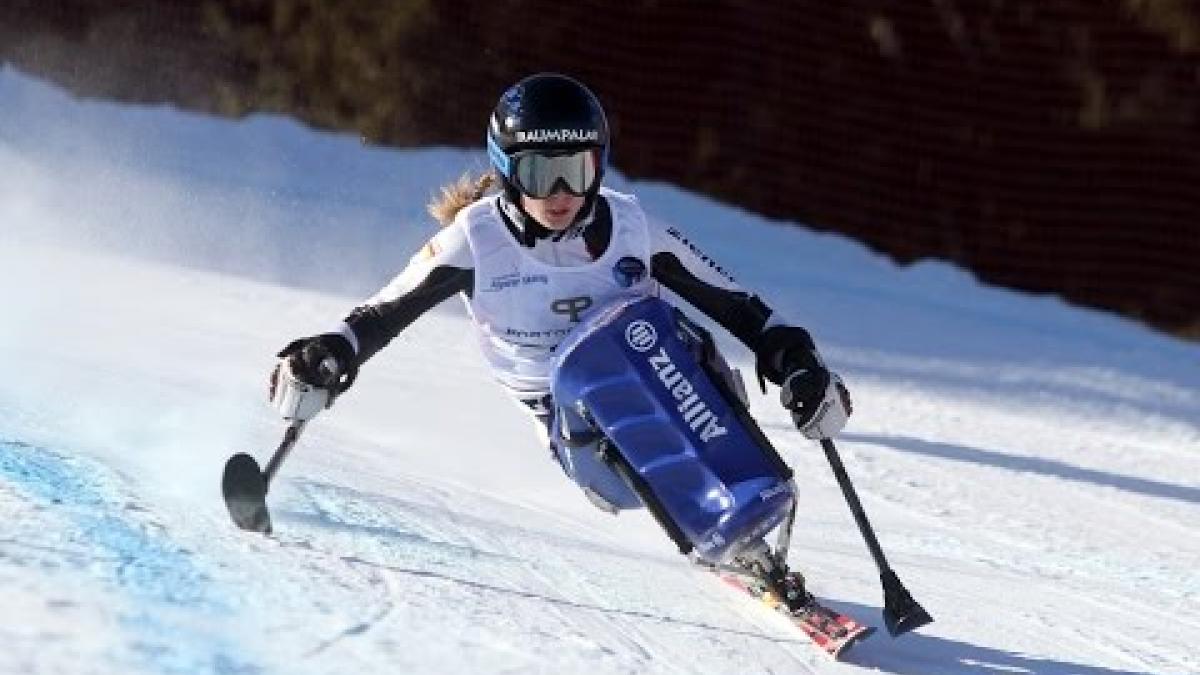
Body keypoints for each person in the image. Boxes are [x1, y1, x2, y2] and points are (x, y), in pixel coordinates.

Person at [268, 72, 852, 520]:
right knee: (605, 419)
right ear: (507, 171)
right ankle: (690, 503)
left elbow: (735, 304)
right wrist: (330, 354)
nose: (562, 194)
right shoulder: (475, 239)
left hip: (661, 370)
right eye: (540, 174)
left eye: (576, 170)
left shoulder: (630, 226)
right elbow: (384, 311)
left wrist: (796, 360)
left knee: (659, 334)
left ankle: (754, 490)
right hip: (564, 406)